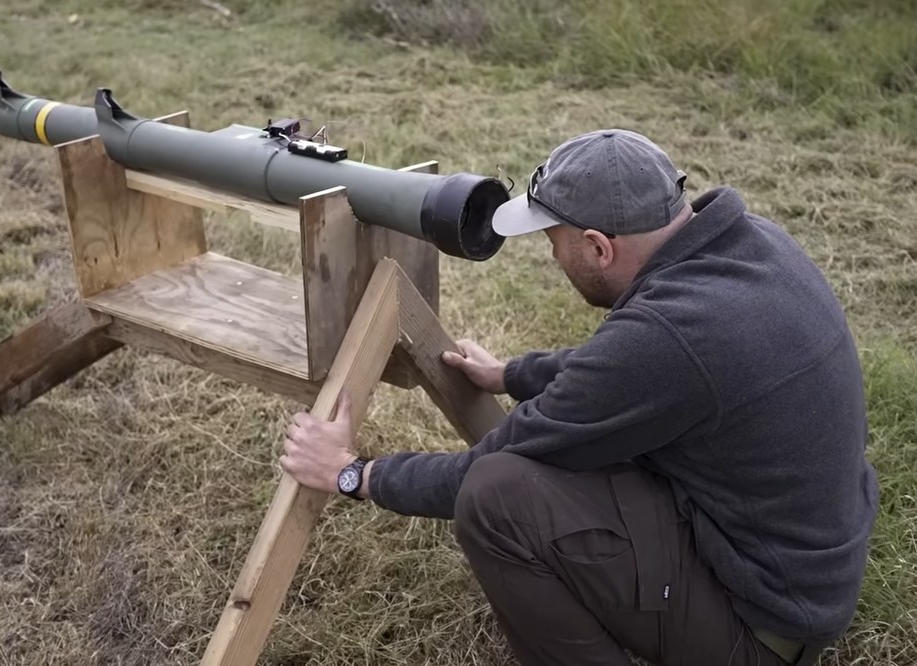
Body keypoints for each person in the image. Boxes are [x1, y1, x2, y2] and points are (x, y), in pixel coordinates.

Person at [278, 129, 880, 666]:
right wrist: (512, 374)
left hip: (761, 631)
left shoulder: (668, 338)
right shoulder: (743, 250)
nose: (552, 255)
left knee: (497, 497)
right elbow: (634, 375)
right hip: (799, 577)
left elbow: (486, 466)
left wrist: (353, 474)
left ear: (598, 247)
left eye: (554, 240)